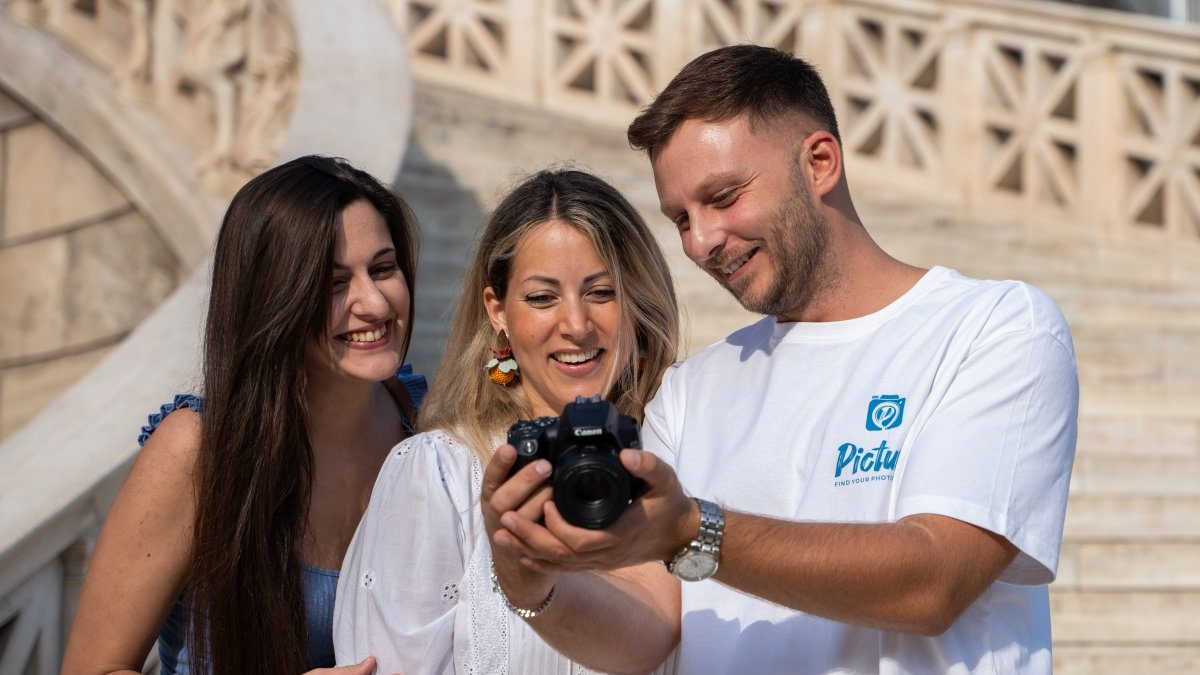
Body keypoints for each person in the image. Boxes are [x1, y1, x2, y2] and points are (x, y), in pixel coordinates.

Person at [484, 45, 1080, 674]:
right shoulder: (690, 391)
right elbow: (646, 633)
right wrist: (534, 587)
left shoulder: (995, 328)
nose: (701, 241)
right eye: (681, 218)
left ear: (820, 161)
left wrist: (694, 530)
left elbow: (933, 582)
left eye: (723, 197)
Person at [62, 156, 426, 675]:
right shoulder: (196, 451)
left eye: (384, 268)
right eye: (333, 283)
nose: (373, 302)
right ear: (274, 298)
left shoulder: (419, 417)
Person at [332, 169, 681, 674]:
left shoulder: (681, 452)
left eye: (602, 292)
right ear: (497, 310)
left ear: (638, 300)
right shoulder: (441, 475)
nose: (577, 325)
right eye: (542, 298)